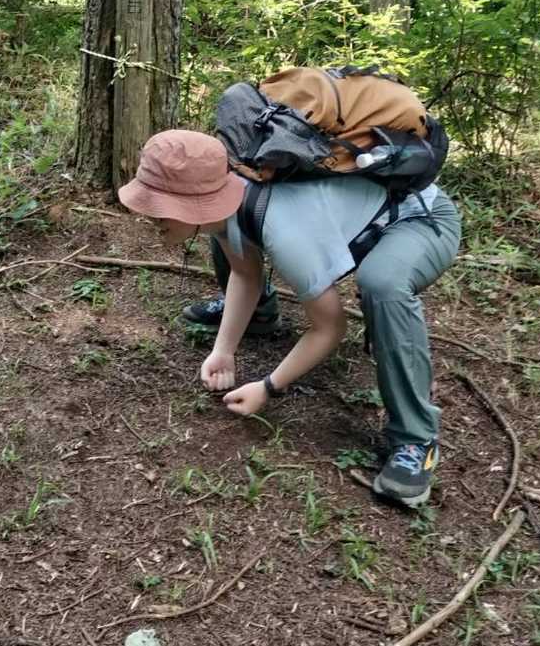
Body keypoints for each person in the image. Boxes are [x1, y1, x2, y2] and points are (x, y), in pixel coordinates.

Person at [117, 128, 461, 509]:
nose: (149, 216)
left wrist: (268, 387)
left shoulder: (283, 230)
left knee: (381, 283)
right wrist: (223, 351)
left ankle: (416, 438)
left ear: (195, 204)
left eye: (159, 206)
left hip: (420, 218)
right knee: (362, 278)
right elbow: (245, 273)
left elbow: (330, 328)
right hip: (373, 217)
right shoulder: (227, 202)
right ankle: (261, 319)